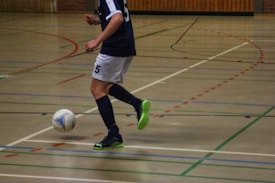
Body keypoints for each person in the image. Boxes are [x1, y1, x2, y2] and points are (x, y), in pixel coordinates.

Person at [85, 0, 150, 150]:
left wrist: (97, 41)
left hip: (115, 46)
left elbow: (118, 18)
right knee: (106, 86)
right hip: (125, 45)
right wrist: (97, 21)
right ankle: (137, 104)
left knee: (97, 89)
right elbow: (114, 15)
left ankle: (114, 134)